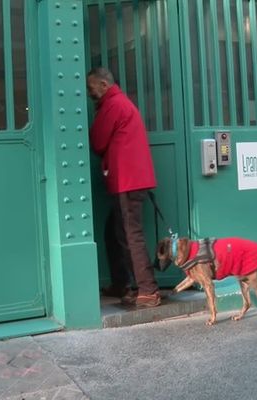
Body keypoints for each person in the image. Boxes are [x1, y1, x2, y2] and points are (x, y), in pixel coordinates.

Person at [86, 67, 161, 308]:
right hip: (131, 180)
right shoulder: (121, 103)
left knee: (130, 235)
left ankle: (148, 289)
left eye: (91, 87)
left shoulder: (113, 105)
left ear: (104, 85)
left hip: (127, 181)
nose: (89, 93)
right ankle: (121, 282)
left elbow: (97, 141)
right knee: (114, 232)